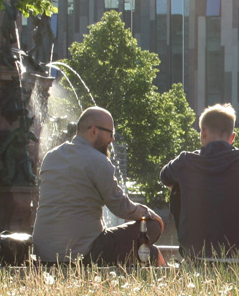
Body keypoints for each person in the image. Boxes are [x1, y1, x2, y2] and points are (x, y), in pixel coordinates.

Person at [33, 107, 164, 264]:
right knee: (151, 227)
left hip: (44, 253)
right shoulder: (98, 161)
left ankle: (149, 260)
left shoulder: (51, 156)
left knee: (150, 251)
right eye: (110, 133)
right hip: (82, 254)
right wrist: (151, 215)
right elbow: (121, 208)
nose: (112, 139)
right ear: (94, 131)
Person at [160, 104, 239, 260]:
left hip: (197, 252)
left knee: (177, 189)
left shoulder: (185, 162)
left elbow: (164, 177)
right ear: (232, 138)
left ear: (203, 133)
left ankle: (192, 248)